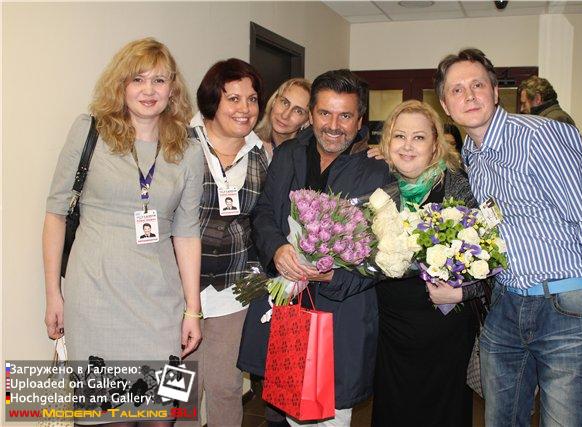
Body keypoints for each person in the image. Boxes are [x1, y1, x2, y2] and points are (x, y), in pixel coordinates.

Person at [435, 48, 582, 426]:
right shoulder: (473, 155)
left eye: (478, 85)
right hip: (506, 304)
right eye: (457, 90)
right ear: (446, 105)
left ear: (496, 92)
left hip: (565, 307)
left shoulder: (540, 136)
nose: (469, 96)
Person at [43, 38, 203, 425]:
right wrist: (53, 294)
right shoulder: (89, 132)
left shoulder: (189, 149)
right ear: (121, 85)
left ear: (173, 88)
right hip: (95, 298)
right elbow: (55, 214)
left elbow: (187, 232)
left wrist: (192, 310)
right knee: (105, 417)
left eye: (159, 80)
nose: (149, 90)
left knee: (162, 417)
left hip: (162, 304)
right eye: (138, 79)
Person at [237, 69, 393, 426]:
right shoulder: (288, 154)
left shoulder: (377, 171)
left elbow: (382, 256)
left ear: (360, 120)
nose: (333, 126)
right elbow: (264, 213)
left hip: (341, 316)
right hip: (287, 309)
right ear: (311, 114)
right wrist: (277, 249)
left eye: (345, 116)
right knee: (290, 411)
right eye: (325, 113)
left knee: (330, 416)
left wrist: (332, 276)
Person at [371, 100, 482, 426]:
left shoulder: (459, 187)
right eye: (399, 136)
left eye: (418, 137)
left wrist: (464, 292)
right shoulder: (380, 185)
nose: (407, 145)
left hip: (444, 328)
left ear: (435, 144)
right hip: (391, 329)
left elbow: (492, 261)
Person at [182, 58, 268, 427]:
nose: (244, 108)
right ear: (212, 100)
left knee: (226, 387)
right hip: (176, 290)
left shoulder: (262, 152)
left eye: (252, 99)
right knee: (178, 391)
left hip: (234, 291)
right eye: (233, 98)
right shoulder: (179, 143)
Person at [254, 77, 311, 157]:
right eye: (284, 103)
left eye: (298, 111)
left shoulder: (309, 155)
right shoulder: (249, 143)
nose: (285, 115)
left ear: (307, 121)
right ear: (274, 101)